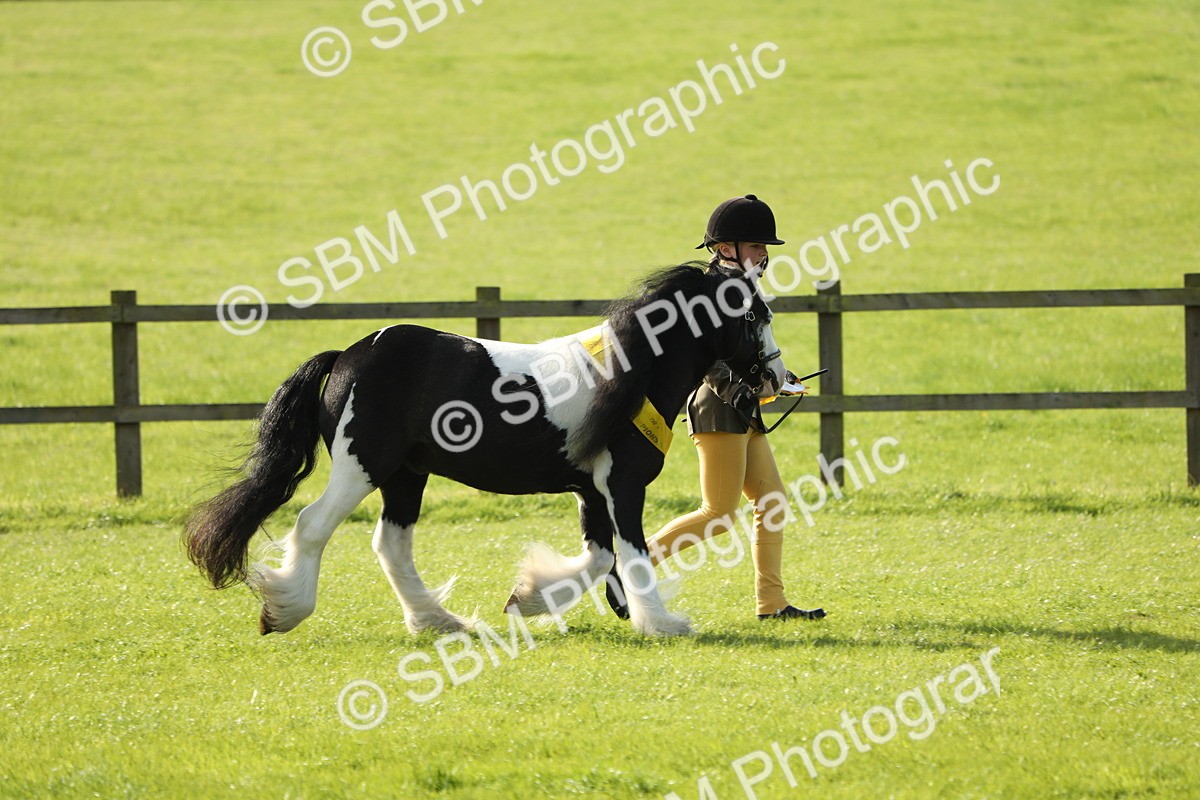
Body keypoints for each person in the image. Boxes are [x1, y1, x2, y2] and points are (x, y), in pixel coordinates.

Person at [646, 195, 825, 621]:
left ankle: (773, 604)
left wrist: (777, 378)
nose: (764, 254)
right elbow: (708, 360)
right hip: (718, 408)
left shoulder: (742, 288)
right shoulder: (715, 293)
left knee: (773, 501)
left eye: (765, 247)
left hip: (742, 408)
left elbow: (751, 350)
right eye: (757, 246)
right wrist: (741, 390)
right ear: (727, 249)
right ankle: (629, 566)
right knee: (718, 515)